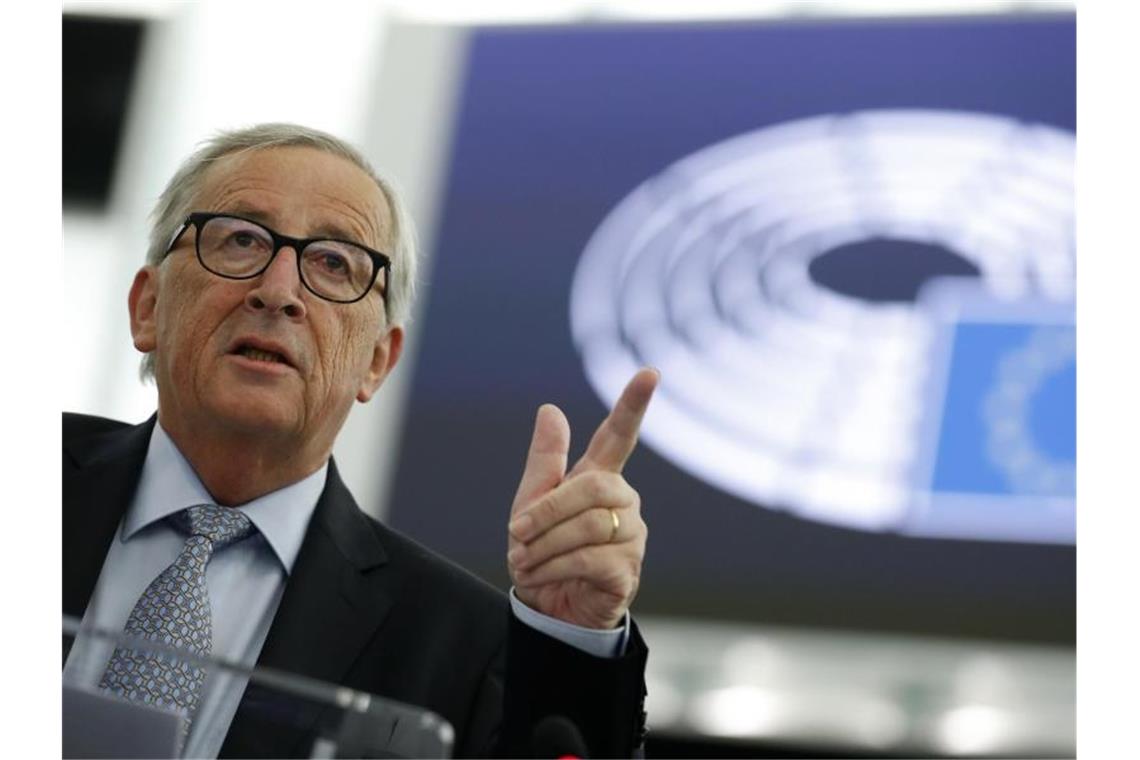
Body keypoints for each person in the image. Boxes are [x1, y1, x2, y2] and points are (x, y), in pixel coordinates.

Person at [62, 123, 659, 758]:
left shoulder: (462, 642)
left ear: (378, 360)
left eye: (332, 263)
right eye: (240, 240)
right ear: (147, 308)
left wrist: (568, 643)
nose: (278, 291)